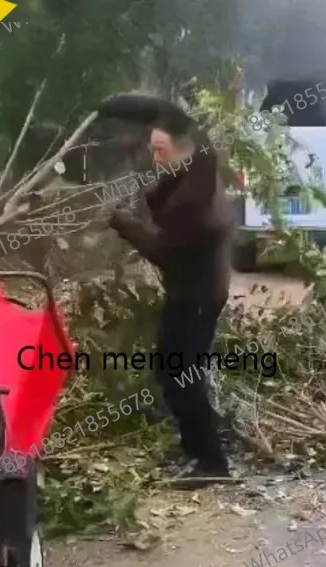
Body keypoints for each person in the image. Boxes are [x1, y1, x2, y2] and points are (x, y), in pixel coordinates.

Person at [102, 100, 234, 482]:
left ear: (183, 149)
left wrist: (120, 222)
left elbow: (163, 252)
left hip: (198, 295)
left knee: (183, 376)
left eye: (159, 150)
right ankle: (194, 446)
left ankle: (212, 463)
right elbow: (167, 113)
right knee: (169, 369)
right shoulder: (197, 160)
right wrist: (113, 107)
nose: (154, 156)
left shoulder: (195, 205)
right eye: (152, 147)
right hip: (187, 291)